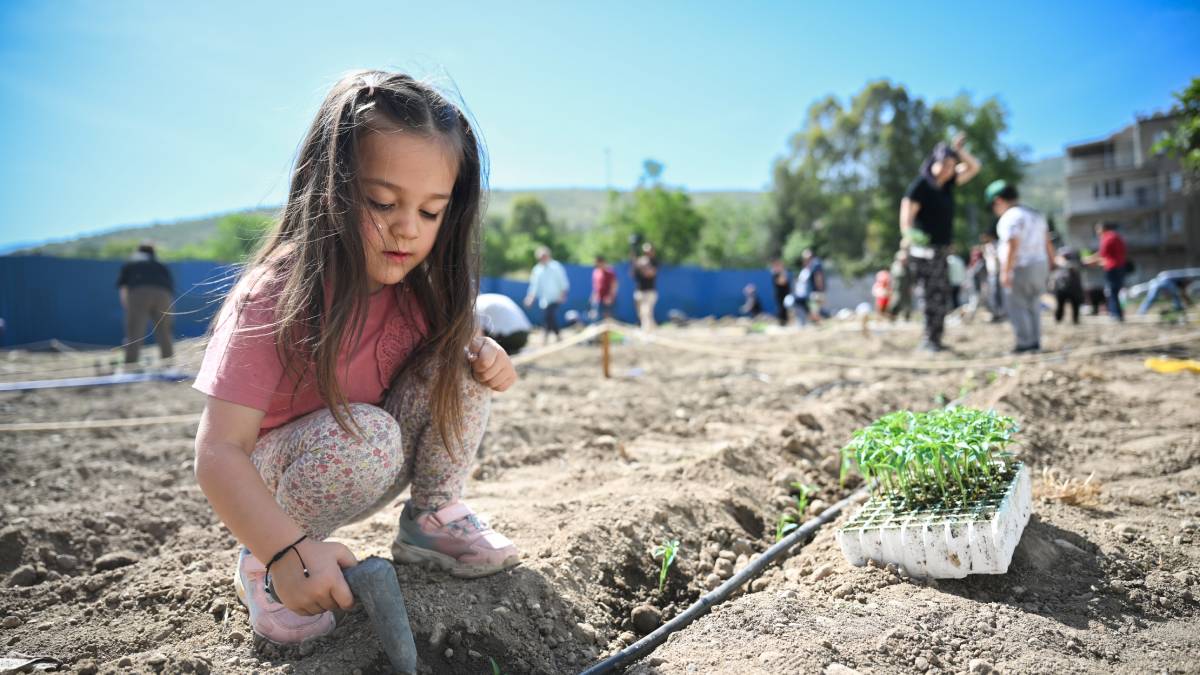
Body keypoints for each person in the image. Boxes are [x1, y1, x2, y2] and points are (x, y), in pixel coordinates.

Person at [191, 71, 520, 646]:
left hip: (370, 452)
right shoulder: (274, 295)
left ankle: (431, 519)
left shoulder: (425, 289)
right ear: (329, 188)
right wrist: (287, 550)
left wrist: (487, 360)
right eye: (382, 202)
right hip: (277, 486)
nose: (406, 229)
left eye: (431, 211)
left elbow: (450, 371)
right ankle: (263, 567)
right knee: (365, 435)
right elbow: (219, 450)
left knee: (459, 354)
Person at [899, 134, 981, 351]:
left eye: (952, 165)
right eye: (944, 164)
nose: (948, 169)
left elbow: (974, 167)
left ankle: (937, 338)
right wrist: (910, 236)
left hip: (941, 251)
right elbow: (906, 218)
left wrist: (959, 150)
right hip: (923, 251)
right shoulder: (921, 186)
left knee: (942, 293)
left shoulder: (947, 185)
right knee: (928, 293)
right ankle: (928, 340)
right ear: (933, 162)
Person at [987, 180, 1055, 352]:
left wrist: (1005, 271)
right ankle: (1034, 341)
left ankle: (1024, 342)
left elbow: (1012, 244)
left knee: (1017, 305)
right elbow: (1047, 242)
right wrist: (1052, 262)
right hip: (1040, 265)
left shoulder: (1010, 217)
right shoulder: (1036, 214)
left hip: (1021, 266)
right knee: (1034, 304)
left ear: (998, 201)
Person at [116, 242, 176, 364]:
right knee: (164, 331)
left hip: (139, 293)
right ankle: (168, 364)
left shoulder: (132, 262)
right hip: (163, 295)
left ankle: (130, 365)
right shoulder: (160, 264)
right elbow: (170, 287)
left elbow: (123, 287)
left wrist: (127, 303)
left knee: (135, 331)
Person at [523, 246, 570, 344]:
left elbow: (563, 282)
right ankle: (557, 336)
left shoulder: (556, 266)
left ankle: (546, 336)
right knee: (549, 317)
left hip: (556, 298)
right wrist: (530, 297)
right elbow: (534, 286)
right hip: (544, 300)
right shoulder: (537, 269)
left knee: (549, 315)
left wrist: (563, 295)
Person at [1083, 222, 1127, 321]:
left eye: (1098, 230)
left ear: (1103, 229)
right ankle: (1119, 314)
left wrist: (1088, 259)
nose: (1097, 232)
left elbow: (1102, 254)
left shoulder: (1107, 237)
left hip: (1112, 268)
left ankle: (1115, 314)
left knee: (1112, 291)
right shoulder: (1117, 237)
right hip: (1121, 266)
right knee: (1116, 291)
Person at [1051, 246, 1085, 324]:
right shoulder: (1061, 255)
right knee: (1060, 305)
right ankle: (1058, 320)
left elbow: (1082, 263)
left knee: (1075, 304)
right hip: (1062, 284)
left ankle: (1075, 320)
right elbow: (1057, 260)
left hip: (1074, 284)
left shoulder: (1077, 253)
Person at [793, 249, 825, 326]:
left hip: (815, 291)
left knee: (815, 309)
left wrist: (819, 289)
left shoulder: (815, 264)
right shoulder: (810, 265)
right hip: (812, 291)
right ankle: (816, 324)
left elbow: (818, 277)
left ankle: (817, 324)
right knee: (814, 309)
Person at [631, 242, 659, 330]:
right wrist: (635, 263)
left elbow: (650, 274)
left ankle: (646, 332)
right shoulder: (640, 261)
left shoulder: (653, 262)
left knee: (646, 312)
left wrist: (642, 265)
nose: (647, 253)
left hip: (650, 292)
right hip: (639, 291)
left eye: (649, 251)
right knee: (642, 314)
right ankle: (653, 329)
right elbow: (633, 274)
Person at [589, 255, 618, 321]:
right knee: (598, 318)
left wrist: (610, 297)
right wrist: (593, 296)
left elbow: (614, 285)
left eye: (597, 263)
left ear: (602, 262)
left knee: (608, 318)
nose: (596, 264)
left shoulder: (610, 272)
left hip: (608, 300)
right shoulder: (596, 272)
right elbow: (595, 286)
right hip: (598, 299)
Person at [888, 249, 913, 321]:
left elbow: (911, 278)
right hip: (897, 288)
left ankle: (907, 319)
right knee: (895, 303)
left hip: (906, 289)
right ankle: (892, 318)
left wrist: (911, 287)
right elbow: (892, 278)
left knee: (907, 305)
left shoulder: (908, 268)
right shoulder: (895, 267)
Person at [770, 259, 790, 326]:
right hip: (779, 294)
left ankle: (786, 322)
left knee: (785, 309)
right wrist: (782, 272)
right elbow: (782, 281)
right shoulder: (775, 274)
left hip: (785, 294)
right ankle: (782, 322)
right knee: (781, 309)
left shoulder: (783, 273)